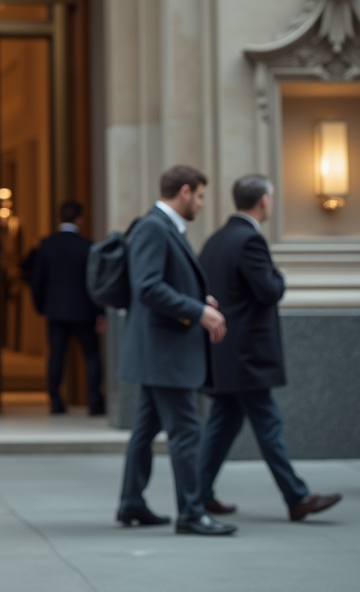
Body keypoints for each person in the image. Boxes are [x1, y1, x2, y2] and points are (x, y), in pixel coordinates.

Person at [198, 175, 343, 521]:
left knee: (223, 424)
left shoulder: (215, 240)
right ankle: (296, 496)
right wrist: (281, 277)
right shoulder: (249, 240)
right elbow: (268, 290)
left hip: (223, 352)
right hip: (247, 355)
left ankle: (198, 493)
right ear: (264, 201)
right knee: (267, 424)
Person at [116, 165, 235, 536]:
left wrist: (198, 299)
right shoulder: (154, 226)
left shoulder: (160, 226)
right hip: (165, 351)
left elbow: (161, 283)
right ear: (185, 192)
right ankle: (191, 513)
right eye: (199, 196)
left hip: (160, 349)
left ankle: (131, 502)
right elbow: (148, 286)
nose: (201, 204)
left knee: (145, 430)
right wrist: (198, 310)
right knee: (186, 431)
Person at [27, 200, 106, 415]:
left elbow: (37, 281)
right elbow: (95, 283)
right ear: (79, 219)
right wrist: (101, 312)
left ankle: (55, 400)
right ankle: (93, 401)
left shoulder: (47, 245)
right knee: (91, 356)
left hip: (55, 311)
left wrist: (40, 308)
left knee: (57, 356)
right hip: (84, 311)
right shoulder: (88, 247)